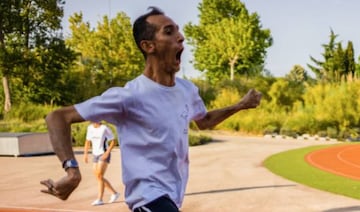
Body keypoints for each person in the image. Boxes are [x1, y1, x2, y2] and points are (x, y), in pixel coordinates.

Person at [40, 6, 262, 212]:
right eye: (169, 32)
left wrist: (240, 105)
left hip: (171, 197)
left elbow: (203, 120)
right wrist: (72, 172)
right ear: (148, 46)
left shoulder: (187, 90)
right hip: (147, 198)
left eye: (179, 31)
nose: (181, 37)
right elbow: (58, 117)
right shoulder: (129, 96)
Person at [83, 122, 120, 206]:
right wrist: (85, 154)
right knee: (98, 176)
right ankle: (114, 193)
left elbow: (113, 141)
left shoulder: (104, 128)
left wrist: (107, 153)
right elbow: (87, 141)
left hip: (103, 153)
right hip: (95, 154)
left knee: (99, 175)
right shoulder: (90, 128)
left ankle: (100, 199)